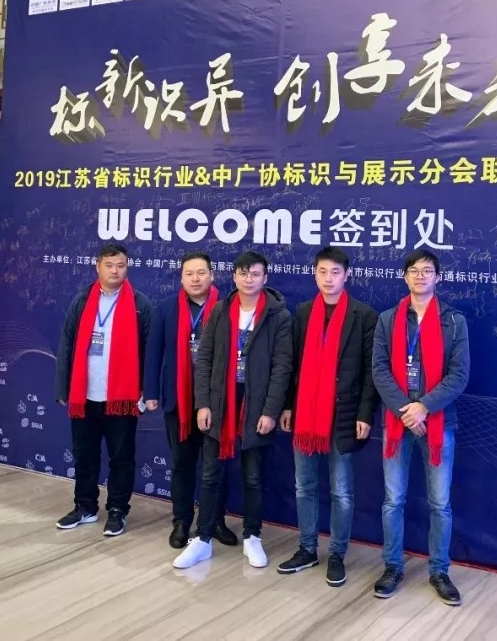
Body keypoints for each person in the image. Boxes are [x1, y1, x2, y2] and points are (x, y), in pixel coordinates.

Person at [172, 250, 293, 570]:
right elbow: (205, 360)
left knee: (253, 476)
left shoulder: (278, 316)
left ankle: (252, 536)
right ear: (233, 277)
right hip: (220, 403)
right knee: (210, 475)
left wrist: (270, 410)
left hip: (256, 405)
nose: (248, 279)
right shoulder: (221, 310)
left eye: (255, 274)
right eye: (243, 274)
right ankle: (202, 539)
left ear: (265, 278)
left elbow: (282, 367)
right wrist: (203, 404)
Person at [371, 248, 469, 605]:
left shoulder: (453, 321)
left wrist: (424, 407)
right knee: (392, 500)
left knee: (439, 503)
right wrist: (405, 411)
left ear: (437, 277)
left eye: (427, 270)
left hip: (438, 422)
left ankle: (439, 571)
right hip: (397, 423)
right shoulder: (388, 320)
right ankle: (392, 567)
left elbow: (459, 375)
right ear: (404, 277)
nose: (420, 275)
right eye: (413, 270)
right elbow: (379, 369)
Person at [277, 247, 379, 587]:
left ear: (346, 275)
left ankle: (337, 554)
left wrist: (365, 413)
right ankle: (307, 548)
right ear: (314, 274)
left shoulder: (363, 315)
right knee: (304, 486)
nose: (328, 278)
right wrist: (288, 405)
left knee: (341, 491)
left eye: (335, 272)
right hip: (305, 414)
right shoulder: (304, 312)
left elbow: (371, 373)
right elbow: (293, 364)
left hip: (344, 414)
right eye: (322, 272)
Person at [53, 243, 152, 538]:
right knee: (84, 454)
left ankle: (118, 510)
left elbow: (149, 352)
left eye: (120, 265)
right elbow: (67, 344)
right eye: (109, 265)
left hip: (121, 397)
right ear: (97, 266)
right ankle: (85, 507)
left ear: (127, 268)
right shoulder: (83, 301)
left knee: (121, 456)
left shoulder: (139, 304)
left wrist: (146, 391)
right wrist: (63, 386)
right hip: (85, 394)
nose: (115, 271)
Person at [143, 251, 238, 549]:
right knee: (182, 465)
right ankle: (181, 522)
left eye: (201, 273)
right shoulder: (165, 308)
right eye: (189, 274)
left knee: (216, 467)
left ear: (212, 275)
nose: (195, 279)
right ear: (181, 277)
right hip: (178, 401)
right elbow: (153, 352)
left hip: (216, 401)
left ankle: (215, 521)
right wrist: (151, 392)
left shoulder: (227, 308)